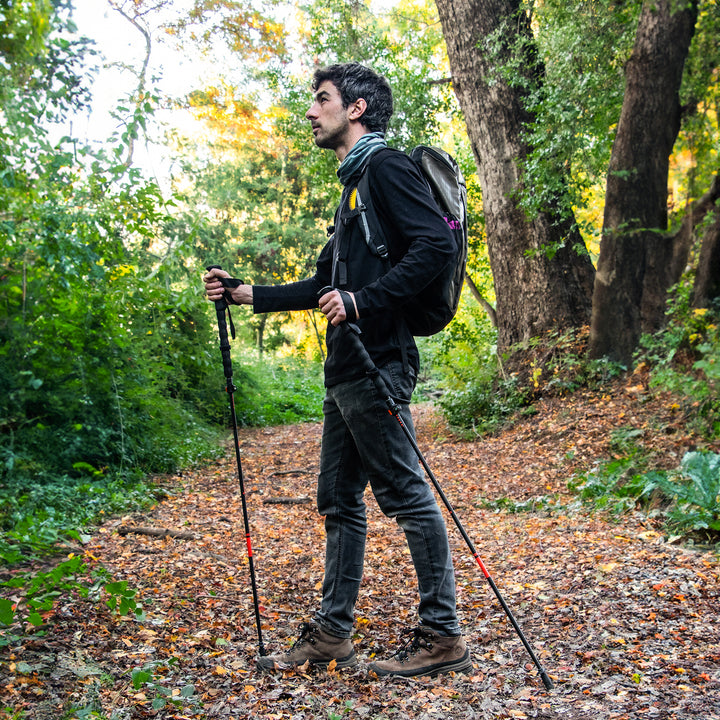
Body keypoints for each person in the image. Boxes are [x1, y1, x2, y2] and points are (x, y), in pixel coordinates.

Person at [204, 62, 471, 678]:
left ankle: (444, 635)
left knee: (404, 495)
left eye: (321, 99)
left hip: (380, 360)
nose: (310, 111)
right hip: (347, 364)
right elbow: (329, 281)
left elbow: (435, 244)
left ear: (356, 108)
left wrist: (362, 302)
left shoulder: (386, 167)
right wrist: (249, 293)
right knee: (340, 499)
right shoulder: (353, 186)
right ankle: (332, 634)